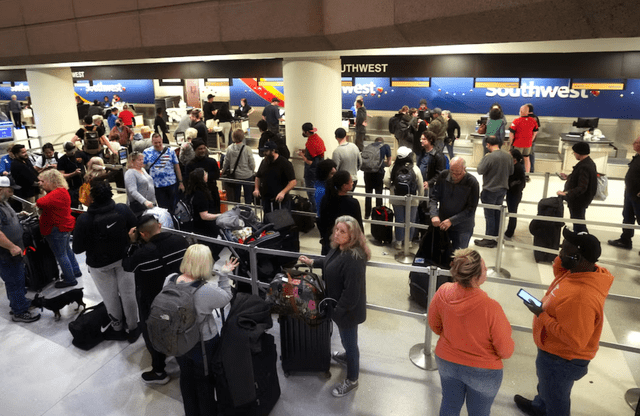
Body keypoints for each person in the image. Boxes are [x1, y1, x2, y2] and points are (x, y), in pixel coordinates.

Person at [514, 228, 614, 416]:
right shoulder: (580, 272)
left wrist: (541, 315)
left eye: (564, 250)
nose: (559, 252)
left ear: (577, 258)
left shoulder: (582, 298)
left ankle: (547, 409)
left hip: (561, 359)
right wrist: (567, 255)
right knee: (546, 386)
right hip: (552, 351)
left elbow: (574, 339)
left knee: (556, 399)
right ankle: (539, 407)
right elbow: (558, 267)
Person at [428, 248, 514, 416]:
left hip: (447, 362)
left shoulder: (443, 291)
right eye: (483, 266)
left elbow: (435, 325)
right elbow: (506, 351)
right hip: (483, 372)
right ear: (476, 276)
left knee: (449, 405)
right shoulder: (491, 307)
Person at [299, 215, 369, 398]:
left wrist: (337, 313)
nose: (337, 234)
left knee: (351, 343)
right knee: (348, 340)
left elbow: (352, 294)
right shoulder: (340, 249)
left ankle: (352, 379)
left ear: (352, 235)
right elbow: (330, 264)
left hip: (347, 312)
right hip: (340, 308)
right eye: (336, 229)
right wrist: (313, 262)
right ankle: (347, 356)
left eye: (342, 231)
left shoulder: (354, 258)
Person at [169, 244, 237, 416]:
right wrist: (224, 274)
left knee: (186, 377)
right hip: (202, 342)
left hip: (177, 340)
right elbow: (226, 297)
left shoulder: (170, 279)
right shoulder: (205, 291)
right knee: (204, 382)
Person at [122, 214, 190, 385]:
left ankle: (159, 370)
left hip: (154, 300)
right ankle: (187, 361)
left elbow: (127, 265)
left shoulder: (142, 254)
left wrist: (131, 244)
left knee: (152, 333)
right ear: (159, 225)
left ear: (142, 234)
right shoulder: (180, 241)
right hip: (182, 294)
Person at [73, 180, 140, 343]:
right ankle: (133, 328)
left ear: (92, 198)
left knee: (110, 298)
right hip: (124, 258)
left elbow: (77, 249)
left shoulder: (84, 219)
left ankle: (117, 328)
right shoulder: (122, 209)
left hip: (99, 265)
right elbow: (136, 228)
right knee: (129, 294)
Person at [0, 176, 41, 323]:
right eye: (9, 190)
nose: (12, 193)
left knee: (19, 278)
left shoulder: (3, 202)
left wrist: (18, 216)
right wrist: (11, 246)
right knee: (14, 281)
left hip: (15, 250)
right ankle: (19, 312)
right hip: (6, 253)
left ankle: (20, 303)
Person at [36, 169, 82, 288]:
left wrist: (42, 191)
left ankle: (70, 279)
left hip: (56, 228)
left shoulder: (55, 194)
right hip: (64, 226)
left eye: (42, 181)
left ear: (51, 181)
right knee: (67, 251)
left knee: (61, 254)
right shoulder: (62, 191)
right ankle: (75, 271)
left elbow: (39, 202)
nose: (40, 183)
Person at [430, 157, 480, 250]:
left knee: (459, 258)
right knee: (442, 254)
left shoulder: (472, 182)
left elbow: (471, 209)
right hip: (443, 225)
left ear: (464, 169)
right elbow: (433, 197)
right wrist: (433, 214)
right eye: (452, 172)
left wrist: (452, 221)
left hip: (463, 228)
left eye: (458, 173)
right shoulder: (444, 175)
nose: (454, 175)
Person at [474, 135, 514, 248]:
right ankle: (496, 237)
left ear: (488, 145)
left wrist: (484, 158)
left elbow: (480, 170)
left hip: (490, 189)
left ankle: (489, 239)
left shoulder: (489, 157)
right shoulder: (508, 156)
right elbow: (511, 171)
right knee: (497, 214)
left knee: (489, 215)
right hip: (502, 189)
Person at [384, 146, 424, 250]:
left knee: (399, 220)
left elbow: (386, 180)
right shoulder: (415, 168)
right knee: (411, 221)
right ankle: (409, 241)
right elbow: (420, 186)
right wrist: (420, 198)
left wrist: (392, 187)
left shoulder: (393, 167)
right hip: (412, 199)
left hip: (397, 198)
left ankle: (398, 242)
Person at [318, 170, 364, 255]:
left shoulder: (326, 199)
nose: (353, 183)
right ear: (344, 186)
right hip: (347, 244)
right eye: (350, 182)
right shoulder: (353, 203)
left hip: (329, 241)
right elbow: (358, 226)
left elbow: (321, 221)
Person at [556, 141, 597, 234]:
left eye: (574, 152)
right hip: (581, 199)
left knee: (578, 222)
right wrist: (569, 177)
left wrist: (566, 193)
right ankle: (579, 240)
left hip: (579, 200)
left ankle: (581, 241)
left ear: (579, 152)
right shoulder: (589, 162)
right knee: (578, 220)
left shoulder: (584, 166)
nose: (574, 154)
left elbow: (582, 187)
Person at [608, 136, 640, 250]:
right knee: (627, 216)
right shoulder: (637, 156)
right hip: (630, 193)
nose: (633, 144)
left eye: (636, 142)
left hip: (638, 196)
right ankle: (625, 239)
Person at [143, 133, 184, 214]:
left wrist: (181, 182)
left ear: (162, 141)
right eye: (155, 143)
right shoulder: (147, 152)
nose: (158, 145)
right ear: (152, 142)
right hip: (157, 186)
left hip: (171, 183)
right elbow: (142, 168)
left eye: (159, 142)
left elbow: (177, 167)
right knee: (163, 208)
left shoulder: (170, 152)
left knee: (174, 207)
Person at [253, 141, 296, 214]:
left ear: (273, 151)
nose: (264, 153)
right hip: (266, 200)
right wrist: (256, 189)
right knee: (267, 222)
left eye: (266, 151)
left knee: (281, 223)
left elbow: (293, 182)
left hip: (280, 201)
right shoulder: (264, 162)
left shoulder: (285, 163)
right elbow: (258, 176)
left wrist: (283, 192)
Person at [185, 139, 221, 212]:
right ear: (195, 150)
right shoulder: (190, 164)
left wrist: (206, 176)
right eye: (200, 149)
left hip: (212, 193)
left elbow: (217, 175)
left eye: (204, 148)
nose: (203, 150)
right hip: (198, 196)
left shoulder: (212, 162)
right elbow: (187, 179)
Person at [186, 168, 222, 239]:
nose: (207, 174)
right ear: (201, 178)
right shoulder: (201, 195)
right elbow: (204, 216)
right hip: (205, 228)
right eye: (205, 174)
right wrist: (219, 215)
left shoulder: (191, 191)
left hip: (196, 225)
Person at [222, 129, 255, 204]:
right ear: (243, 137)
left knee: (236, 196)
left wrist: (223, 170)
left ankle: (237, 211)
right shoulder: (247, 149)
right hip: (247, 175)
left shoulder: (229, 148)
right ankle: (247, 211)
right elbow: (251, 163)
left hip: (236, 176)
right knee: (248, 196)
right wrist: (253, 170)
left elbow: (226, 162)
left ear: (233, 137)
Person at [298, 122, 326, 211]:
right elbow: (317, 154)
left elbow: (312, 162)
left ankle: (314, 213)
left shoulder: (310, 143)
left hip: (311, 173)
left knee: (311, 194)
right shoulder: (318, 139)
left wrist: (302, 155)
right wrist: (305, 151)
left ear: (306, 132)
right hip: (320, 172)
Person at [362, 137, 391, 219]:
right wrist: (382, 163)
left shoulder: (368, 146)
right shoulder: (385, 147)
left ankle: (367, 214)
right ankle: (378, 214)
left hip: (367, 173)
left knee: (368, 194)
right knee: (378, 194)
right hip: (378, 173)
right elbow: (389, 163)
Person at [508, 104, 539, 173]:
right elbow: (535, 131)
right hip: (528, 144)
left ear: (521, 111)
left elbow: (511, 133)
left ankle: (514, 173)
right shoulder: (533, 121)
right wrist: (531, 140)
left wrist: (511, 143)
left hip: (517, 144)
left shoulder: (516, 121)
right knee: (527, 158)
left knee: (515, 159)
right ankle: (527, 174)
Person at [124, 151, 157, 216]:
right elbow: (132, 191)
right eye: (139, 160)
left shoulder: (142, 169)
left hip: (150, 203)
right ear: (132, 161)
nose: (142, 161)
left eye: (142, 159)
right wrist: (145, 201)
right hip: (139, 206)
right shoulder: (130, 173)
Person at [10, 144, 39, 213]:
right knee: (31, 212)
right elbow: (23, 180)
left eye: (25, 152)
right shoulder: (15, 165)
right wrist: (36, 183)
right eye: (23, 153)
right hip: (27, 193)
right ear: (16, 154)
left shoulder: (27, 160)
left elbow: (33, 172)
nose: (25, 154)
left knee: (41, 210)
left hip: (36, 189)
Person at [505, 149, 526, 239]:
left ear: (514, 158)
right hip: (514, 193)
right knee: (512, 212)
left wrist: (509, 185)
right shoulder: (517, 166)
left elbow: (519, 182)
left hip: (514, 194)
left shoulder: (517, 168)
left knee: (512, 213)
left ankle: (510, 231)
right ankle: (510, 230)